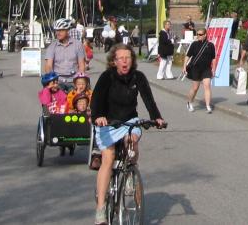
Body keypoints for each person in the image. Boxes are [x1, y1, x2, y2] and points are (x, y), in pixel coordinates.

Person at [91, 43, 164, 225]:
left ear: (132, 60)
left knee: (132, 140)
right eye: (121, 58)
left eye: (128, 58)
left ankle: (130, 170)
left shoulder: (138, 77)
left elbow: (148, 98)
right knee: (109, 156)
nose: (125, 61)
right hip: (108, 122)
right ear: (114, 61)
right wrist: (98, 116)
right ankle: (101, 209)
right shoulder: (107, 77)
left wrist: (156, 117)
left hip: (129, 120)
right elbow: (97, 99)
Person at [44, 17, 87, 90]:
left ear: (67, 31)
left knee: (80, 100)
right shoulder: (52, 46)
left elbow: (82, 65)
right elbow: (48, 65)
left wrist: (80, 82)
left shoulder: (78, 45)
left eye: (61, 30)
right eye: (57, 30)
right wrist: (51, 80)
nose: (58, 33)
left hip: (73, 80)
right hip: (58, 81)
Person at [184, 28, 216, 113]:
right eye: (197, 34)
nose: (198, 36)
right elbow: (188, 56)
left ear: (205, 35)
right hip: (196, 68)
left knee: (207, 86)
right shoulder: (194, 44)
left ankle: (208, 106)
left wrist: (213, 69)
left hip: (206, 69)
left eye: (200, 34)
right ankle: (189, 102)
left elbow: (213, 58)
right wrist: (184, 67)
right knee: (195, 88)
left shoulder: (211, 45)